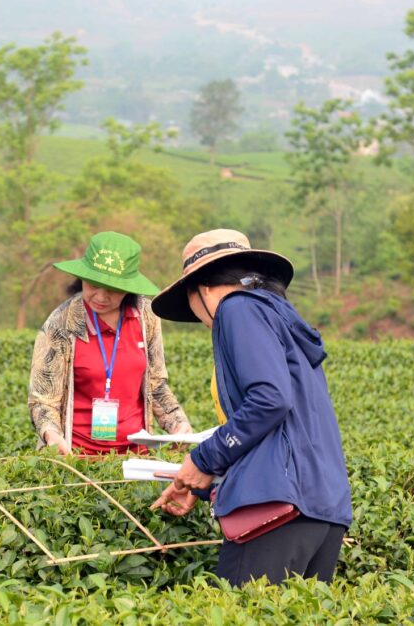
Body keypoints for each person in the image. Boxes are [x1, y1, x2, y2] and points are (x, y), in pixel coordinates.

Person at [149, 229, 352, 586]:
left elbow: (269, 399)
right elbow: (282, 425)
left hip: (277, 508)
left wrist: (202, 459)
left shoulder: (236, 308)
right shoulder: (280, 317)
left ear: (203, 289)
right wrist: (200, 483)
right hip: (325, 509)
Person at [28, 231, 192, 455]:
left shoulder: (146, 317)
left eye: (113, 289)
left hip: (136, 454)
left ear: (128, 287)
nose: (101, 296)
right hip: (75, 455)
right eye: (94, 284)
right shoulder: (61, 323)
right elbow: (43, 400)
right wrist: (52, 436)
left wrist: (177, 424)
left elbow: (156, 384)